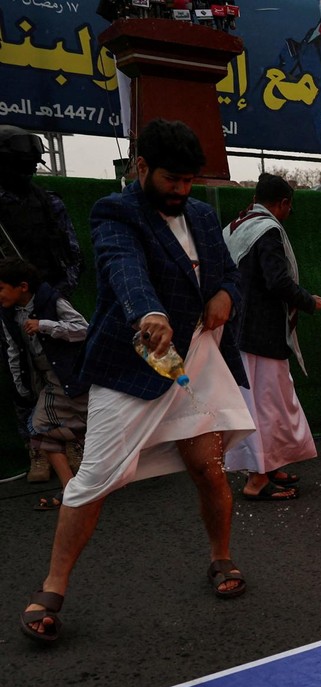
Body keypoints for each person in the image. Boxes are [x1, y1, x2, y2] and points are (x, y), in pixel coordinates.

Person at [19, 118, 255, 643]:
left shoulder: (200, 213)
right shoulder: (114, 212)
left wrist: (226, 296)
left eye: (191, 181)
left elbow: (228, 275)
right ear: (141, 167)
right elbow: (124, 269)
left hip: (195, 360)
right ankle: (53, 587)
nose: (182, 191)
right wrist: (148, 315)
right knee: (93, 477)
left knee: (208, 467)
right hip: (134, 364)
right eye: (172, 179)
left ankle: (221, 558)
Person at [223, 173, 321, 500]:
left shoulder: (236, 225)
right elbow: (278, 282)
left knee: (271, 403)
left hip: (240, 328)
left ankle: (270, 466)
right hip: (261, 332)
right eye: (289, 206)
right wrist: (310, 301)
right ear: (283, 203)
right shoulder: (267, 230)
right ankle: (257, 479)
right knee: (267, 406)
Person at [0, 124, 83, 483]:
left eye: (32, 166)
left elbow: (72, 254)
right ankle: (37, 447)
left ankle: (71, 440)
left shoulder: (49, 202)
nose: (28, 173)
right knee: (22, 376)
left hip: (49, 299)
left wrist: (56, 296)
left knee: (65, 371)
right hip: (7, 305)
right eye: (20, 165)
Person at [0, 257, 88, 510]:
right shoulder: (8, 315)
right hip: (49, 381)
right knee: (39, 427)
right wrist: (21, 385)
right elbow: (14, 350)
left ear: (23, 286)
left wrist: (46, 326)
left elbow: (84, 329)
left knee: (99, 424)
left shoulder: (52, 301)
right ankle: (71, 490)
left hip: (73, 376)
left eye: (1, 288)